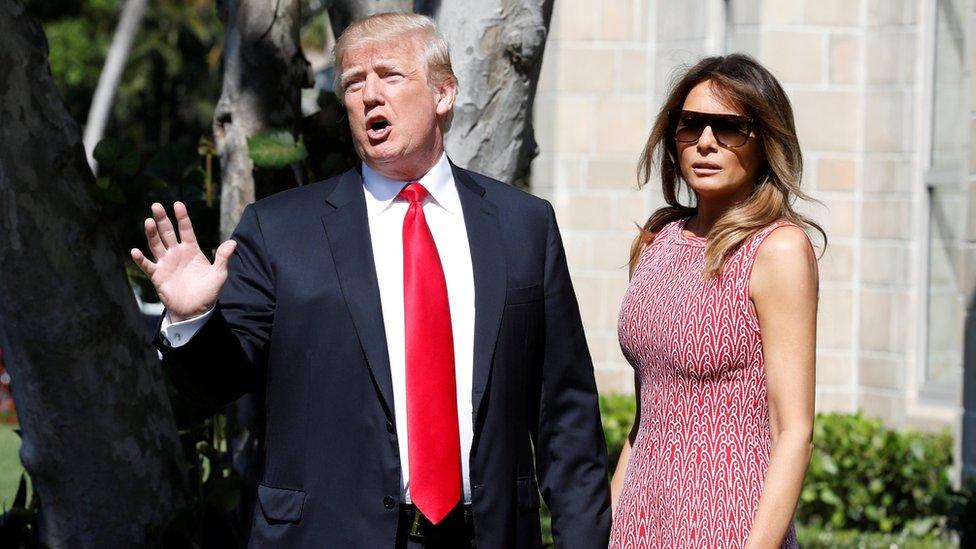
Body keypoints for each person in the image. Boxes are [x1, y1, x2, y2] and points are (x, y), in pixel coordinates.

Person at [130, 12, 610, 548]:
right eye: (354, 83)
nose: (369, 95)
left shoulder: (524, 225)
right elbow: (215, 384)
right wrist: (194, 319)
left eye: (390, 75)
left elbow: (566, 413)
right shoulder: (280, 229)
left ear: (443, 94)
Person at [608, 54, 822, 548]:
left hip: (730, 526)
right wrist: (604, 526)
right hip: (639, 521)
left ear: (766, 141)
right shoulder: (656, 240)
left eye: (730, 129)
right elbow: (647, 419)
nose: (706, 142)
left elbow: (795, 434)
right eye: (691, 125)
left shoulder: (778, 249)